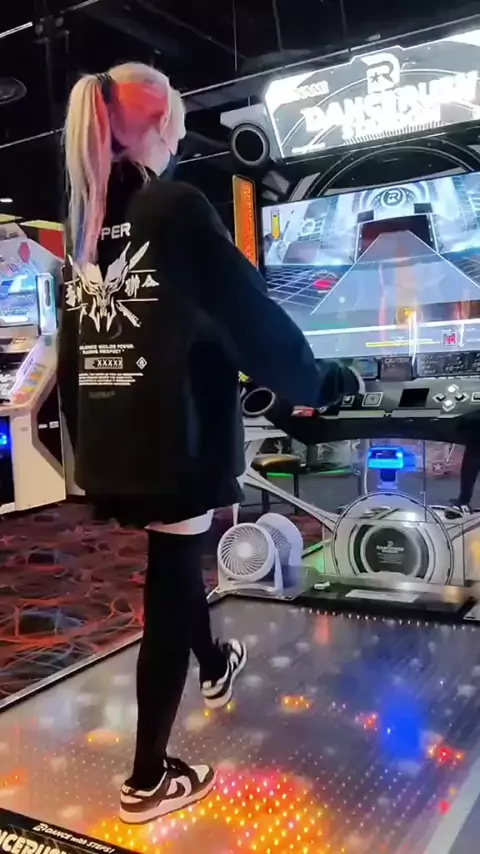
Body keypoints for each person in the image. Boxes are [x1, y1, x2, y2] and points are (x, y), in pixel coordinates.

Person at [59, 62, 363, 824]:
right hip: (176, 434)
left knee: (176, 558)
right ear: (162, 122)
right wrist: (324, 382)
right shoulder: (176, 206)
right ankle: (147, 779)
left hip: (112, 440)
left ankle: (216, 661)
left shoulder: (89, 212)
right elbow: (246, 316)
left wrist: (84, 445)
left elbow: (86, 343)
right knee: (170, 582)